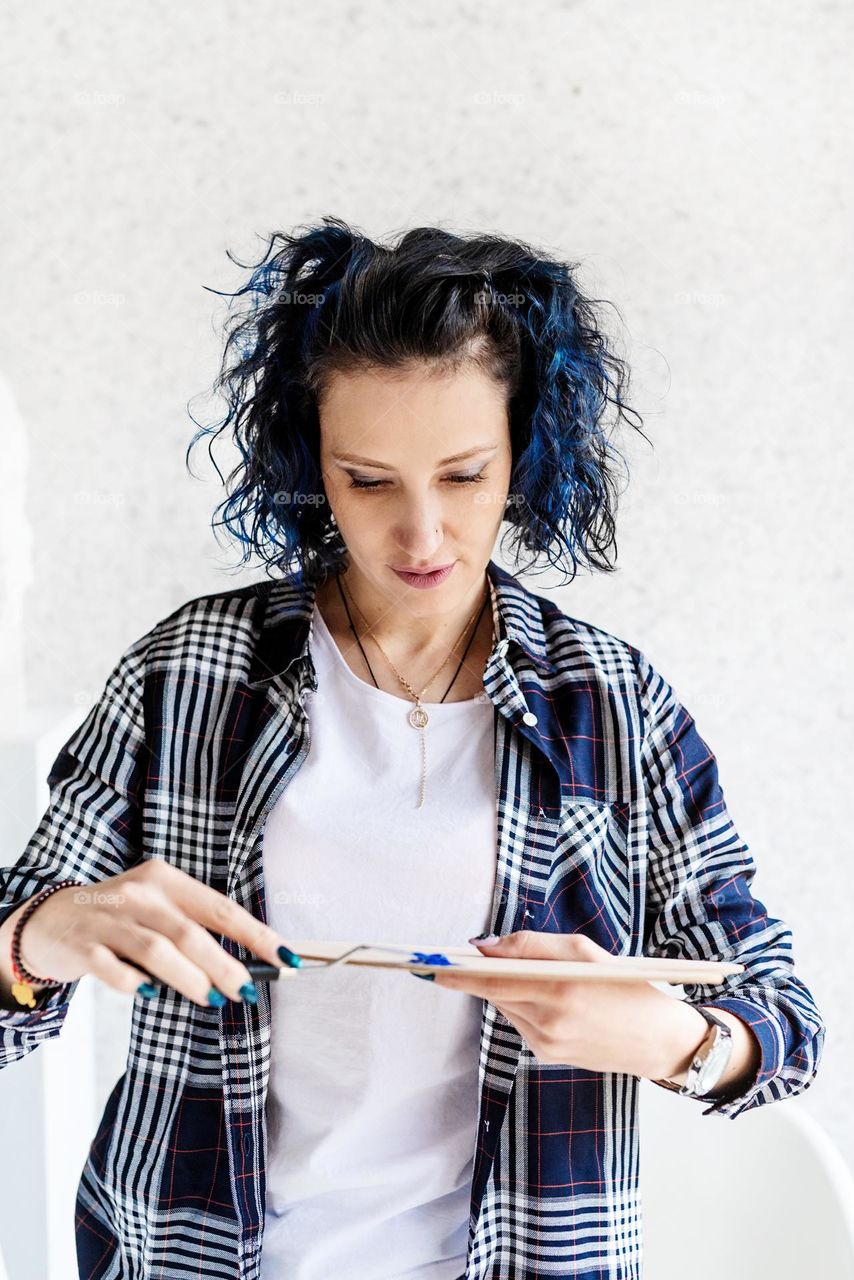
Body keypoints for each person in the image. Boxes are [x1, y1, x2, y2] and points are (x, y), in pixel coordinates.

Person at [0, 216, 826, 1280]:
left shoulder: (609, 702)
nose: (422, 534)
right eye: (369, 480)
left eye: (464, 474)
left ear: (524, 453)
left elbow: (782, 1012)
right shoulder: (190, 669)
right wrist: (38, 938)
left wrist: (676, 1039)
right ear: (313, 467)